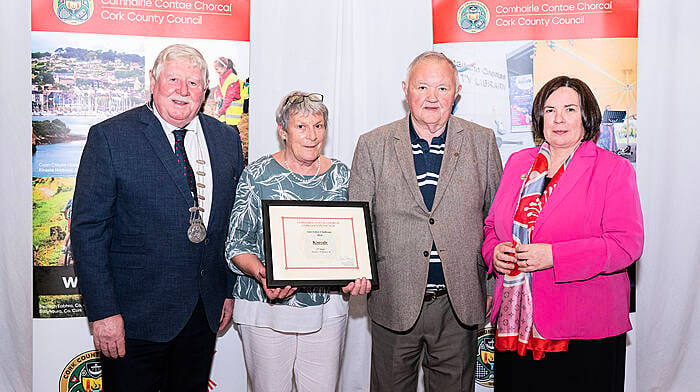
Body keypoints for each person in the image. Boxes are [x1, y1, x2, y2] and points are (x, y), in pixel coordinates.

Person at [71, 44, 244, 391]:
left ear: (205, 91)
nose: (183, 91)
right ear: (153, 81)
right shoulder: (110, 136)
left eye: (194, 83)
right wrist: (103, 312)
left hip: (202, 312)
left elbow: (229, 225)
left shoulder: (226, 139)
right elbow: (88, 231)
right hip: (133, 318)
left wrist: (227, 290)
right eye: (174, 79)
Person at [349, 51, 502, 392]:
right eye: (422, 86)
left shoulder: (482, 141)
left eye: (442, 88)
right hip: (394, 300)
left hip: (458, 303)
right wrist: (354, 269)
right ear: (406, 90)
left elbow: (496, 221)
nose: (432, 97)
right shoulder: (372, 145)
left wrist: (493, 287)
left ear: (457, 91)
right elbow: (358, 223)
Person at [482, 76, 644, 391]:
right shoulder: (517, 164)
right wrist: (495, 252)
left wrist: (553, 257)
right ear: (539, 117)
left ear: (586, 117)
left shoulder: (613, 169)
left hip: (584, 328)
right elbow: (492, 226)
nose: (558, 119)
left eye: (570, 109)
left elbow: (626, 245)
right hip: (514, 327)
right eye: (550, 109)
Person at [225, 91, 371, 392]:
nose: (312, 135)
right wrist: (262, 273)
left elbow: (357, 241)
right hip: (265, 308)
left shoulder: (343, 175)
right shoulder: (257, 174)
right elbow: (237, 244)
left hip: (325, 309)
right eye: (301, 126)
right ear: (283, 131)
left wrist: (357, 273)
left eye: (318, 126)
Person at [214, 56, 244, 126]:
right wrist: (218, 96)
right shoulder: (221, 78)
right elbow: (218, 90)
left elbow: (229, 98)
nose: (216, 71)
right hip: (224, 112)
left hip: (232, 113)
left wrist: (220, 112)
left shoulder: (233, 79)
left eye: (217, 69)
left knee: (233, 131)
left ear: (224, 67)